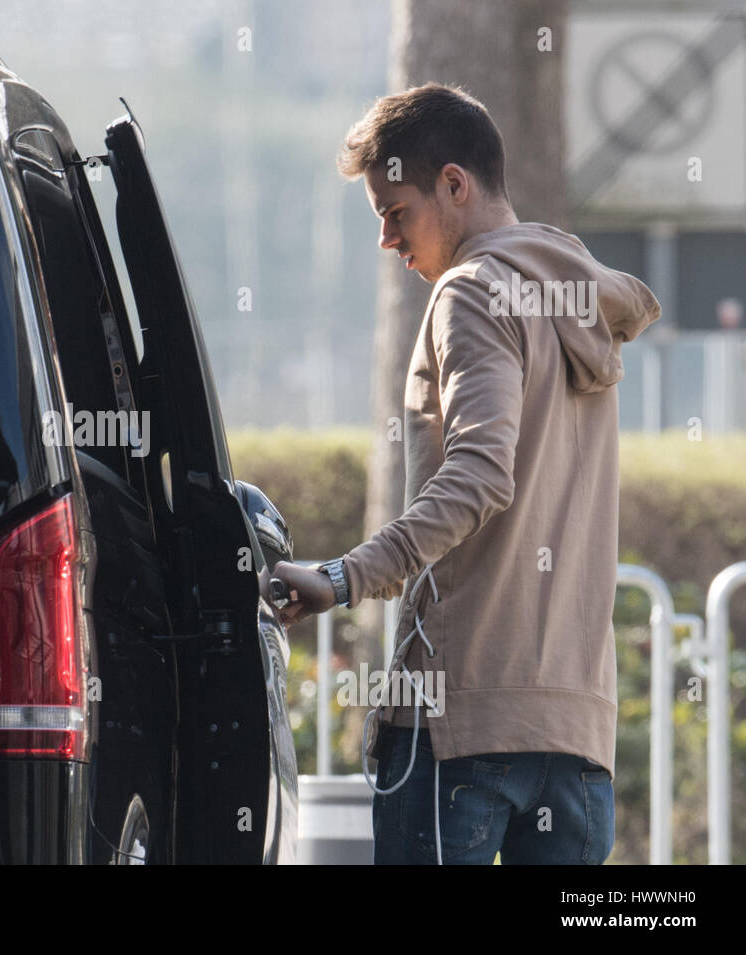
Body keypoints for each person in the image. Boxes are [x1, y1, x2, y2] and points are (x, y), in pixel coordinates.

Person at [270, 82, 660, 864]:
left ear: (454, 184)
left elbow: (481, 475)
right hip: (576, 741)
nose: (387, 238)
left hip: (460, 728)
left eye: (394, 210)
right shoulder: (574, 296)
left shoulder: (471, 291)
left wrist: (344, 578)